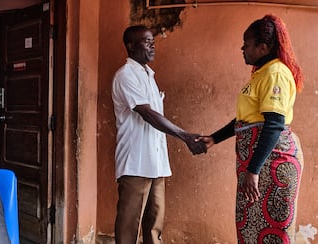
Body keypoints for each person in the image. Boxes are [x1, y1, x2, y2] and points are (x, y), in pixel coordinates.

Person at [199, 14, 304, 243]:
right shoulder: (262, 73)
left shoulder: (275, 74)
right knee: (253, 228)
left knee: (272, 231)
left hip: (272, 165)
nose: (242, 48)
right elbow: (245, 119)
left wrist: (253, 171)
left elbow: (274, 124)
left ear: (263, 47)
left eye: (247, 44)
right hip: (259, 166)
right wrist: (214, 138)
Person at [112, 25, 207, 244]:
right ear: (130, 46)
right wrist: (184, 135)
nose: (152, 45)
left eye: (153, 41)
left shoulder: (149, 76)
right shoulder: (126, 75)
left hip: (156, 163)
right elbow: (147, 114)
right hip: (135, 163)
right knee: (128, 228)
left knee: (154, 227)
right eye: (147, 42)